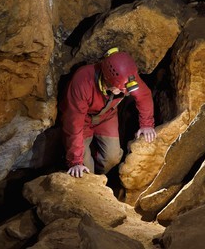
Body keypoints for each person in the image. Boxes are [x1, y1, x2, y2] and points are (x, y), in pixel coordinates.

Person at [60, 47, 157, 178]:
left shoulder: (127, 77)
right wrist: (75, 161)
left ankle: (101, 180)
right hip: (82, 121)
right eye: (121, 89)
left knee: (112, 158)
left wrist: (146, 124)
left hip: (107, 117)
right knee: (84, 171)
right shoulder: (83, 82)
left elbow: (144, 95)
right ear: (108, 80)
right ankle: (91, 183)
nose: (125, 92)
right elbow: (74, 124)